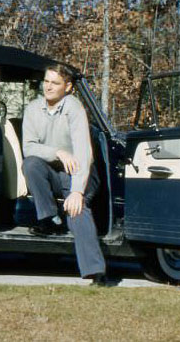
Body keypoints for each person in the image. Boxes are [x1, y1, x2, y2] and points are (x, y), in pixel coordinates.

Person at [21, 63, 110, 286]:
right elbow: (29, 148)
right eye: (46, 81)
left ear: (68, 87)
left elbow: (83, 152)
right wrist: (58, 152)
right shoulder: (32, 109)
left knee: (76, 209)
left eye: (55, 83)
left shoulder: (74, 108)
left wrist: (77, 191)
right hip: (54, 170)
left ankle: (95, 272)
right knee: (31, 164)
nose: (48, 87)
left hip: (80, 172)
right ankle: (49, 218)